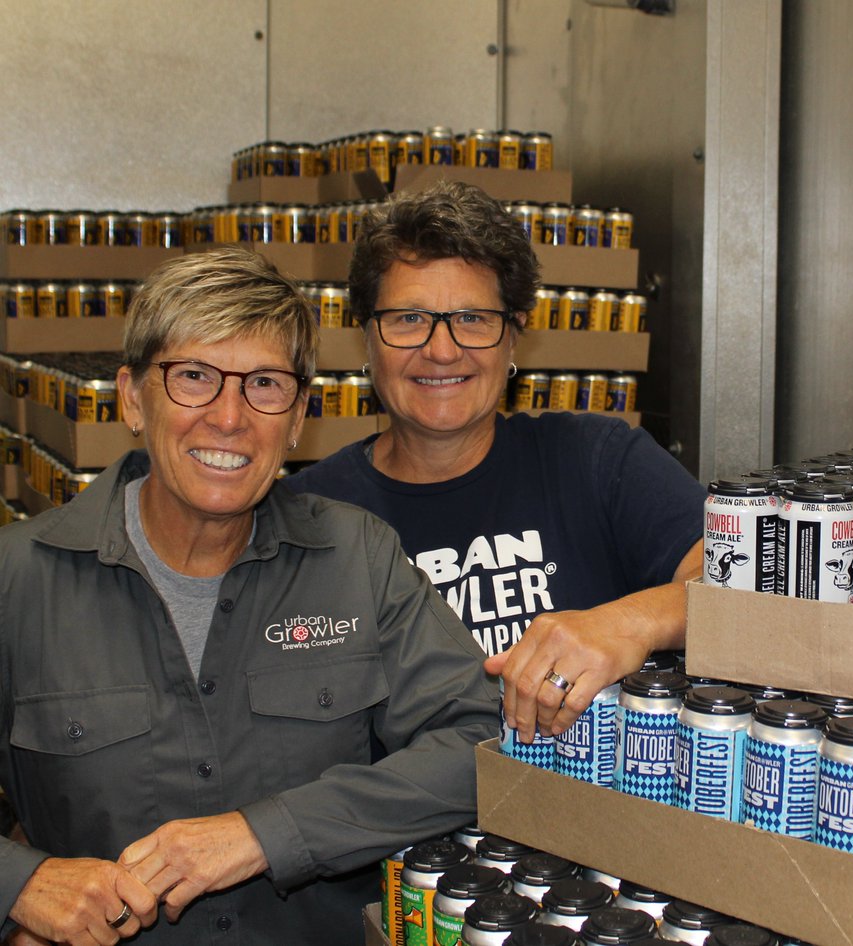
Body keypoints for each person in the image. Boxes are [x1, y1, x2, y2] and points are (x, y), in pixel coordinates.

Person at [0, 248, 498, 945]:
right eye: (194, 377)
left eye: (265, 384)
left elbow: (479, 744)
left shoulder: (358, 557)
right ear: (131, 398)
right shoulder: (18, 578)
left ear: (296, 419)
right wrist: (20, 885)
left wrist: (265, 834)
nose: (229, 417)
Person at [287, 181, 706, 745]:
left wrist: (630, 622)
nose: (441, 350)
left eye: (473, 318)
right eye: (408, 318)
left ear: (514, 338)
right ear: (366, 337)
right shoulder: (306, 516)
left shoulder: (597, 459)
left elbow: (743, 584)